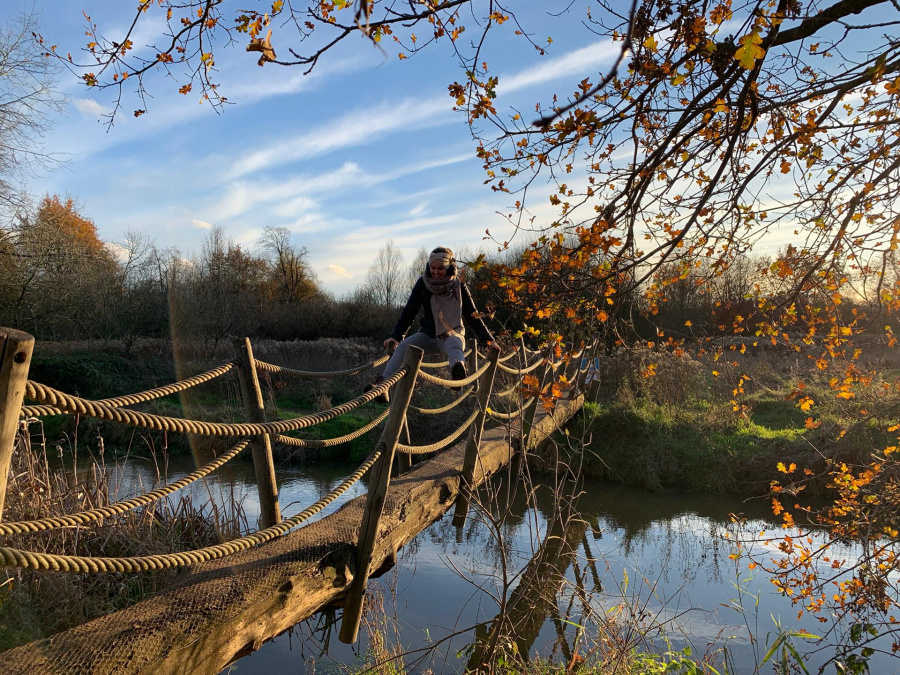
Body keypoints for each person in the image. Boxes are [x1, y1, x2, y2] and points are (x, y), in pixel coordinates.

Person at [366, 246, 498, 403]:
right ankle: (382, 387)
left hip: (452, 333)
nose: (435, 272)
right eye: (433, 268)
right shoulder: (423, 283)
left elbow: (473, 315)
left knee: (455, 345)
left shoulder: (459, 285)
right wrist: (396, 336)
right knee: (404, 347)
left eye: (440, 268)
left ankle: (458, 373)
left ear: (449, 267)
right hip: (428, 333)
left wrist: (488, 340)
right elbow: (409, 311)